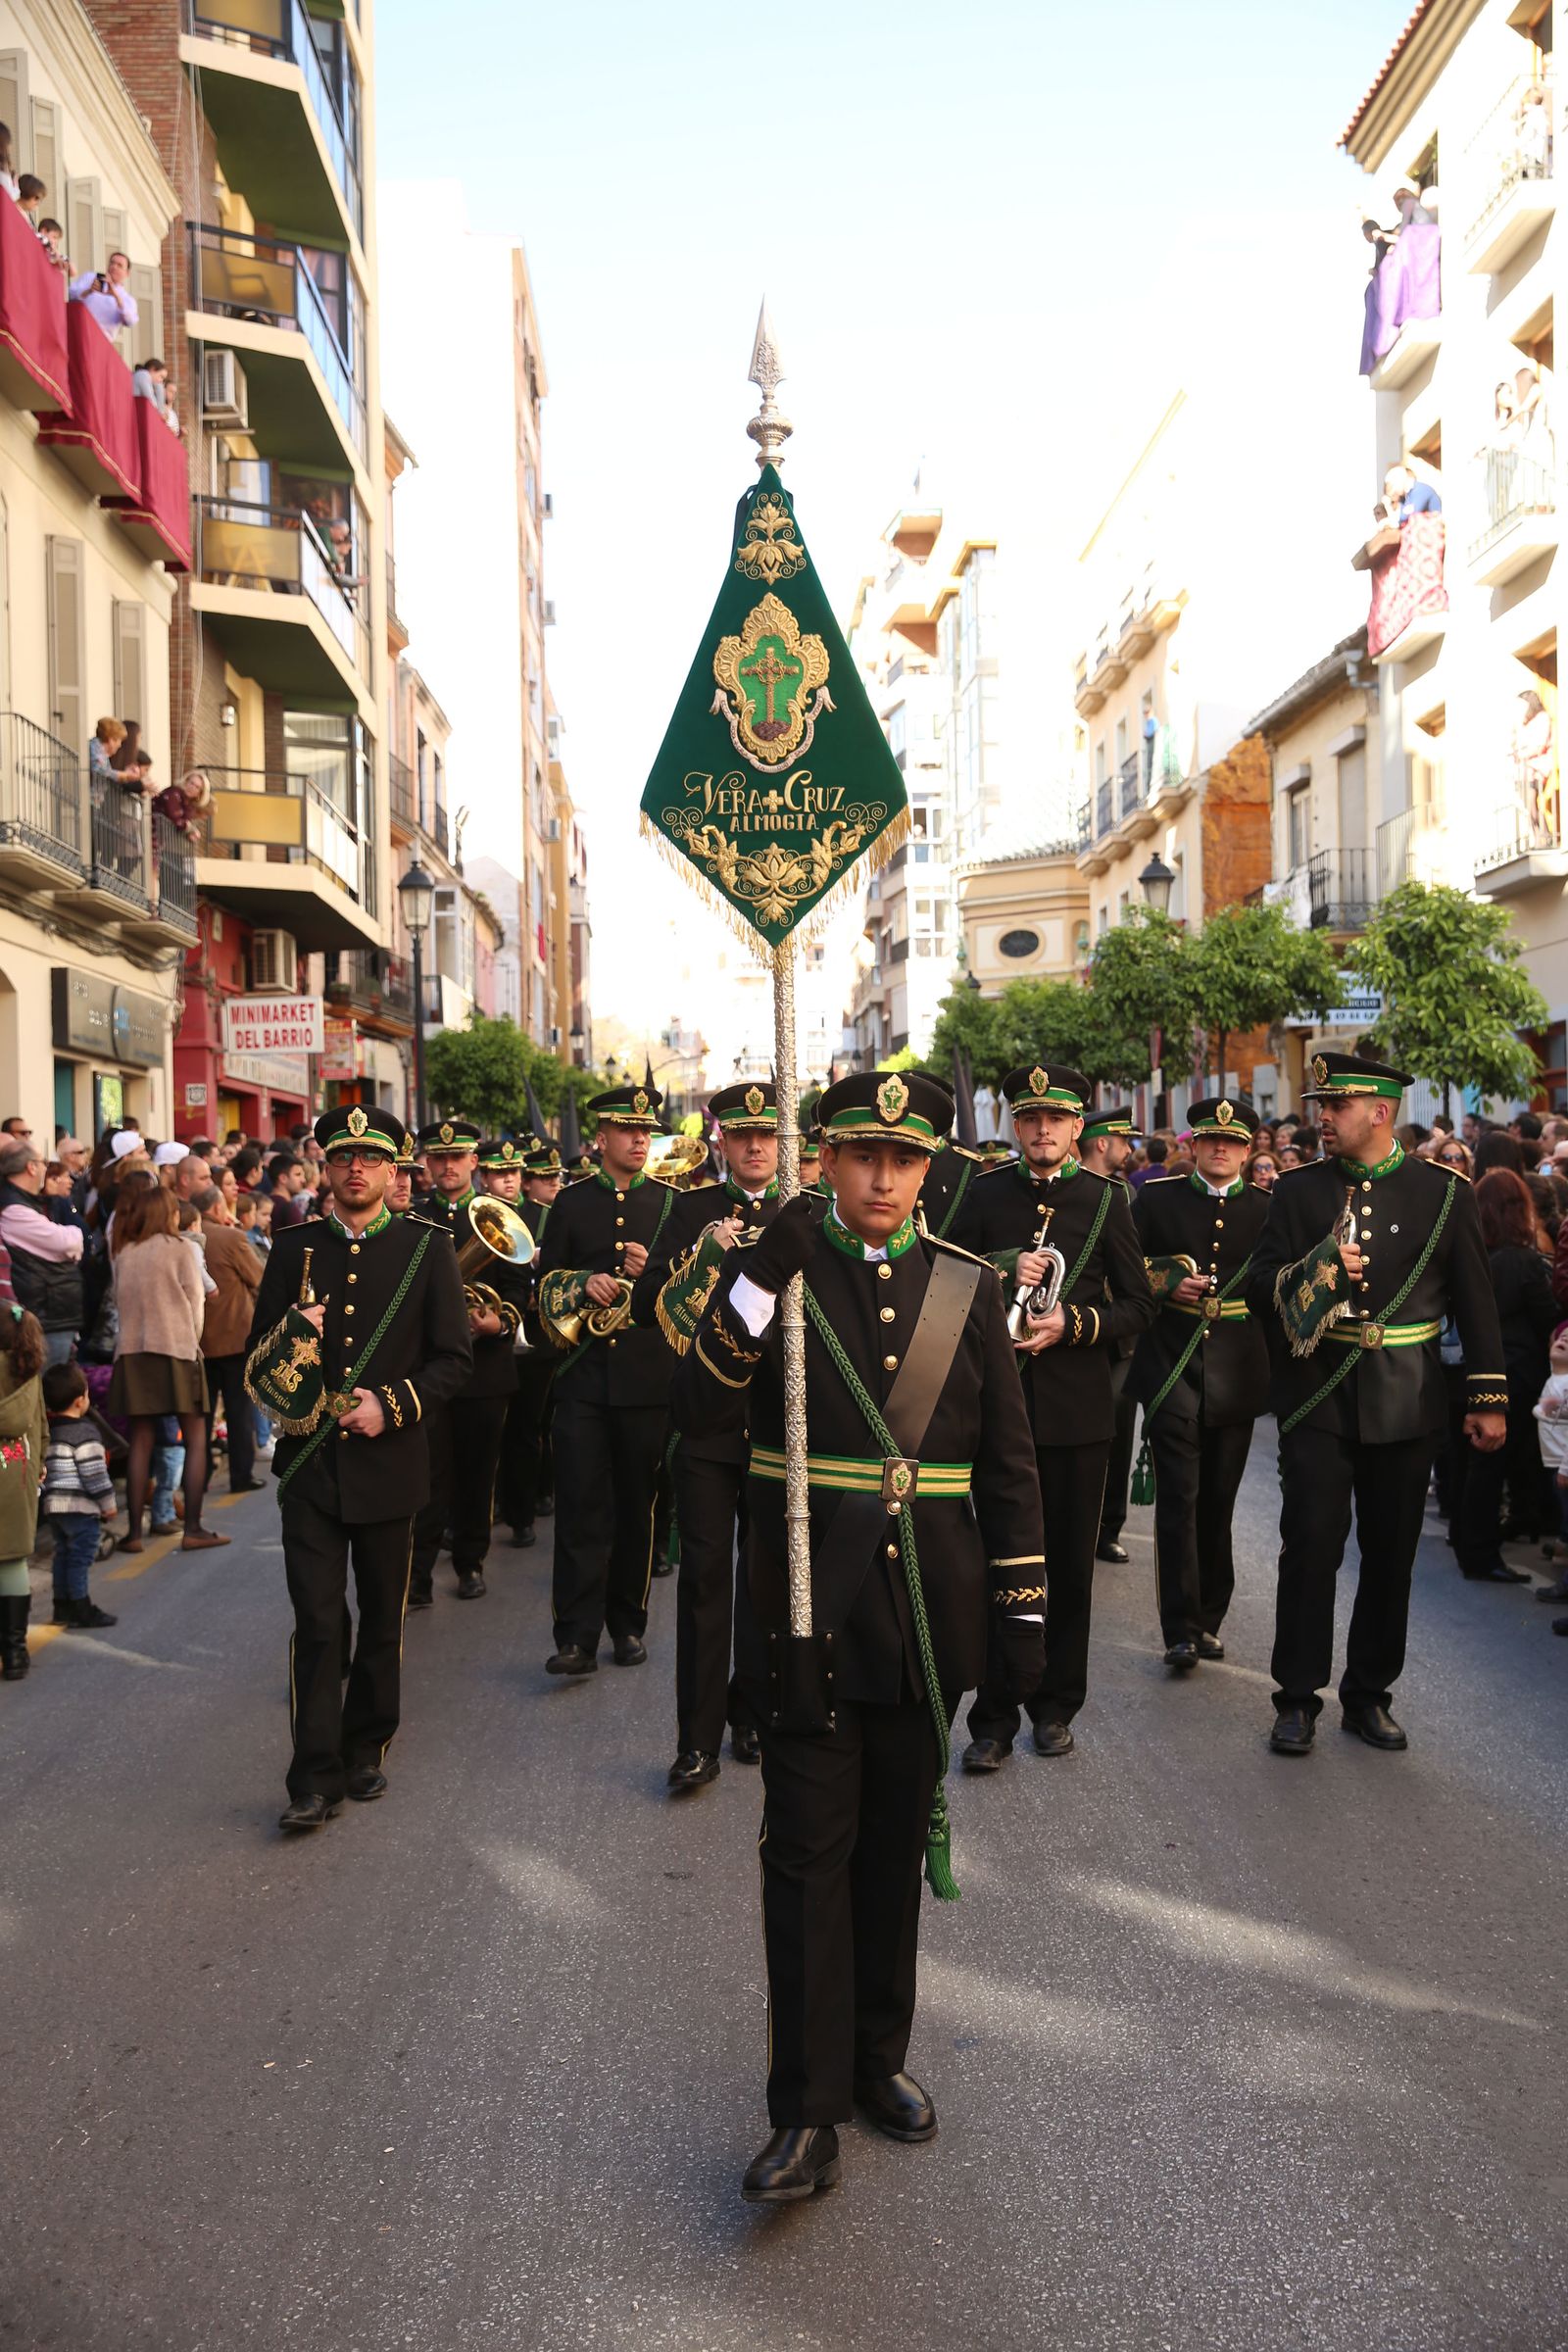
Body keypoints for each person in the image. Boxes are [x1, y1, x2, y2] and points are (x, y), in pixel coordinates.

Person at [670, 1069, 1044, 2205]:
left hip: (929, 1613)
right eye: (862, 1156)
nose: (882, 1179)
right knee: (802, 1861)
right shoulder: (778, 1274)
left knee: (890, 1858)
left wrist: (1021, 1619)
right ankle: (805, 2112)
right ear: (825, 1159)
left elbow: (1009, 1468)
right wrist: (758, 1268)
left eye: (905, 1159)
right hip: (804, 1608)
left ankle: (880, 2057)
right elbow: (705, 1389)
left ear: (931, 1170)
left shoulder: (966, 1288)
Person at [1249, 1051, 1508, 1755]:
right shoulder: (1298, 1191)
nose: (1321, 1117)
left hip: (1406, 1398)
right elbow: (1256, 1287)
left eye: (1335, 1107)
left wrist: (1488, 1398)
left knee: (1390, 1556)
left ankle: (1368, 1694)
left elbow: (1476, 1308)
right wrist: (1316, 1272)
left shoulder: (1444, 1193)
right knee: (1309, 1550)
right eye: (1321, 1105)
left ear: (1380, 1112)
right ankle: (1296, 1699)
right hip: (1320, 1397)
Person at [242, 1105, 471, 1833]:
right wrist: (288, 1337)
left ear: (393, 1170)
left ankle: (367, 1743)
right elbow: (256, 1363)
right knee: (316, 1622)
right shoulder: (292, 1247)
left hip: (390, 1459)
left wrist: (392, 1405)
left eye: (371, 1158)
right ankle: (312, 1776)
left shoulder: (424, 1248)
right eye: (343, 1156)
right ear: (326, 1165)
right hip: (311, 1465)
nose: (356, 1169)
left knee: (380, 1616)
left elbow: (452, 1361)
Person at [951, 1063, 1154, 1766]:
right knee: (994, 1560)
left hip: (1075, 1411)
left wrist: (1075, 1322)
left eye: (1056, 1119)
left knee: (1067, 1566)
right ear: (1015, 1124)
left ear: (1077, 1127)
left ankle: (1056, 1705)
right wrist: (1005, 1266)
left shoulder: (1108, 1200)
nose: (1042, 1130)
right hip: (991, 1409)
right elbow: (942, 1277)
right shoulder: (982, 1193)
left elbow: (1138, 1305)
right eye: (1029, 1117)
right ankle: (993, 1716)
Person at [642, 1081, 783, 1790]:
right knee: (703, 1581)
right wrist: (703, 1254)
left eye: (767, 1134)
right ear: (720, 1139)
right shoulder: (689, 1209)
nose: (756, 1146)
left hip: (777, 1425)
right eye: (742, 1134)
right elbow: (648, 1306)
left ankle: (751, 1713)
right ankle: (695, 1740)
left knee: (766, 1577)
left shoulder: (807, 1213)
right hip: (705, 1422)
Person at [532, 1084, 681, 1675]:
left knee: (635, 1508)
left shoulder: (672, 1205)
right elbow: (542, 1291)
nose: (640, 1138)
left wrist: (653, 1277)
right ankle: (575, 1636)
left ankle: (628, 1624)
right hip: (583, 1378)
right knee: (579, 1507)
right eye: (627, 1129)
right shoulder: (568, 1204)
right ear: (601, 1138)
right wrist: (579, 1284)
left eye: (646, 1130)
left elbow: (687, 1297)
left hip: (646, 1382)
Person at [1129, 1099, 1271, 1668]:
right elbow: (1126, 1266)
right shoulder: (1158, 1198)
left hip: (1237, 1370)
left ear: (1247, 1150)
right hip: (1171, 1364)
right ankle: (1181, 1629)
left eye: (1233, 1143)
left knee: (1218, 1500)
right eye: (1211, 1139)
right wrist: (1167, 1283)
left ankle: (1211, 1614)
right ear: (1192, 1145)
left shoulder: (1269, 1206)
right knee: (1179, 1500)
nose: (1221, 1149)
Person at [406, 1121, 526, 1606]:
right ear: (428, 1165)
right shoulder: (410, 1220)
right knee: (427, 1476)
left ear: (474, 1163)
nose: (448, 1166)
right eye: (439, 1158)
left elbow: (518, 1293)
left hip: (485, 1370)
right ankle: (417, 1572)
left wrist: (496, 1322)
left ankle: (470, 1562)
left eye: (458, 1158)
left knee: (478, 1474)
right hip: (429, 1372)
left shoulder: (500, 1216)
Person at [107, 1183, 227, 1554]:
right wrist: (192, 1344)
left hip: (132, 1352)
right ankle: (192, 1527)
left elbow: (118, 1302)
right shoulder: (182, 1249)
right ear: (169, 1215)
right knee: (194, 1437)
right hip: (176, 1349)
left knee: (141, 1440)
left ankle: (134, 1535)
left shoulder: (126, 1253)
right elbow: (196, 1304)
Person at [1453, 1169, 1556, 1580]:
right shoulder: (1523, 1261)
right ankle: (1481, 1553)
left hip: (1472, 1373)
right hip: (1515, 1375)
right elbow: (1545, 1318)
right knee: (1491, 1468)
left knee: (1475, 1468)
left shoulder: (1478, 1257)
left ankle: (1473, 1543)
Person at [1077, 1106, 1142, 1569]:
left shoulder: (1127, 1193)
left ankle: (1108, 1527)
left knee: (1118, 1435)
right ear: (1102, 1142)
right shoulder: (1072, 1192)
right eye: (1122, 1139)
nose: (1128, 1148)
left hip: (1115, 1336)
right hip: (1070, 1329)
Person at [499, 1136, 563, 1545]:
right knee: (519, 1427)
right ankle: (517, 1507)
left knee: (543, 1422)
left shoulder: (555, 1216)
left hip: (547, 1333)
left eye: (555, 1176)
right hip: (514, 1328)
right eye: (545, 1178)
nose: (554, 1183)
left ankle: (539, 1493)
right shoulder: (510, 1217)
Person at [40, 1359, 119, 1636]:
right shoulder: (85, 1434)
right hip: (81, 1508)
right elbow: (95, 1475)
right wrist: (109, 1505)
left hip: (54, 1506)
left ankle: (61, 1605)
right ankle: (81, 1607)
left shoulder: (49, 1433)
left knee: (62, 1554)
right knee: (80, 1558)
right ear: (79, 1400)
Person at [196, 1184, 263, 1494]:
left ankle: (199, 1477)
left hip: (199, 1339)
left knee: (203, 1415)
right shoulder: (231, 1237)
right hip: (234, 1336)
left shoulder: (184, 1237)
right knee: (238, 1411)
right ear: (217, 1207)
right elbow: (259, 1277)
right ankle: (241, 1475)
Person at [0, 1140, 84, 1368]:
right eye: (43, 1162)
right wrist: (72, 1234)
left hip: (49, 1310)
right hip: (43, 1313)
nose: (46, 1168)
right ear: (31, 1167)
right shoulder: (14, 1209)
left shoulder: (27, 1202)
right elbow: (69, 1243)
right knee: (46, 1390)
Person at [0, 1303, 49, 1679]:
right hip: (18, 1475)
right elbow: (42, 1426)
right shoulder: (27, 1371)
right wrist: (39, 1464)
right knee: (13, 1561)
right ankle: (15, 1653)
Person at [69, 251, 137, 342]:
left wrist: (116, 297)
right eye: (112, 263)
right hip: (76, 332)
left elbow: (130, 321)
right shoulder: (91, 277)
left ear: (127, 273)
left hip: (100, 342)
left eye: (119, 265)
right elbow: (69, 293)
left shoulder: (127, 299)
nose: (114, 267)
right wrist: (88, 291)